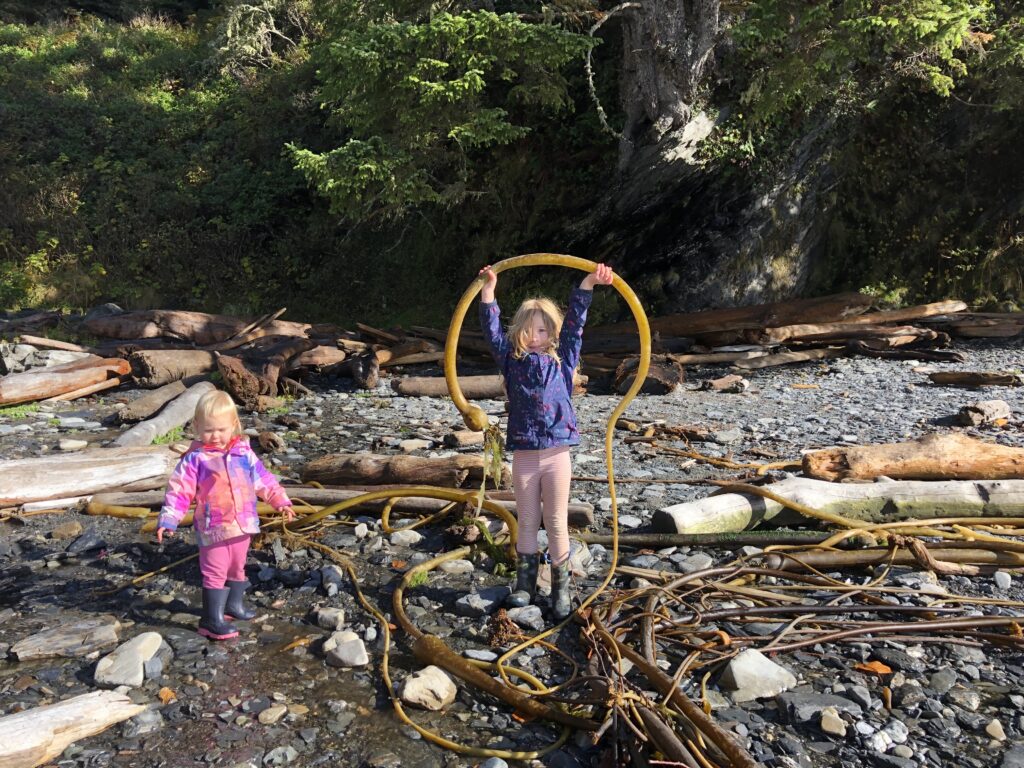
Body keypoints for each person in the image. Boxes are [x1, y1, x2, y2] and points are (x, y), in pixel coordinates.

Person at [478, 263, 614, 620]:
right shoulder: (511, 361)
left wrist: (587, 282)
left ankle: (560, 587)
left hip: (557, 454)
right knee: (526, 519)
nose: (534, 336)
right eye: (527, 330)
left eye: (541, 329)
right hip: (525, 453)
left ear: (552, 332)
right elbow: (491, 331)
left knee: (555, 520)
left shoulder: (563, 359)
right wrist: (489, 290)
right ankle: (524, 585)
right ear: (518, 333)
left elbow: (576, 323)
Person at [156, 389, 294, 640]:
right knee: (215, 570)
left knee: (237, 566)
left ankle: (233, 605)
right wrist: (169, 519)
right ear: (197, 427)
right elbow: (179, 491)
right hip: (214, 527)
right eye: (209, 430)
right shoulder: (196, 459)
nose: (216, 436)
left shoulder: (244, 454)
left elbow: (264, 480)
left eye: (221, 430)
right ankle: (211, 620)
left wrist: (280, 501)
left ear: (233, 425)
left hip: (243, 523)